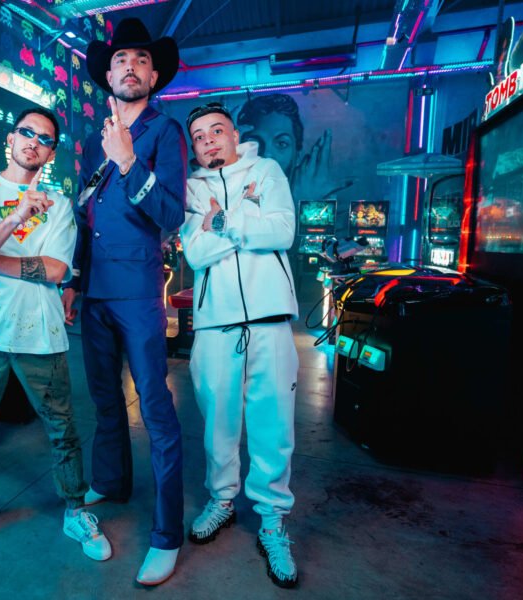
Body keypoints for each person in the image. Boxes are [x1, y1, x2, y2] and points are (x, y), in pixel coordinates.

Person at [0, 107, 111, 562]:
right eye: (27, 132)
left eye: (45, 138)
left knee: (62, 427)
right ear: (10, 138)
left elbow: (55, 270)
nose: (34, 141)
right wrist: (14, 219)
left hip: (40, 333)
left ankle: (75, 510)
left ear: (51, 154)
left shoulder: (58, 206)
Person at [61, 17, 187, 586]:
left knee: (156, 409)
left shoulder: (165, 131)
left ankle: (166, 535)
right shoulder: (96, 140)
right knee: (105, 399)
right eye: (120, 60)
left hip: (137, 291)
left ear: (153, 76)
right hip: (94, 291)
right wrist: (73, 279)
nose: (129, 67)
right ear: (107, 75)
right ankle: (110, 481)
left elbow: (171, 214)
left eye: (140, 60)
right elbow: (86, 214)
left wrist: (131, 161)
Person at [180, 102, 301, 588]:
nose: (208, 140)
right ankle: (222, 500)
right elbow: (195, 252)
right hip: (214, 325)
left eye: (216, 131)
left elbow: (283, 231)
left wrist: (224, 221)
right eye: (199, 136)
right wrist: (247, 219)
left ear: (235, 135)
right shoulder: (191, 188)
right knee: (218, 424)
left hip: (270, 320)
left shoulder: (266, 171)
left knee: (274, 425)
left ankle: (272, 520)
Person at [237, 93, 332, 203]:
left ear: (297, 155)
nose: (267, 153)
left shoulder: (317, 196)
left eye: (282, 144)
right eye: (254, 142)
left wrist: (309, 201)